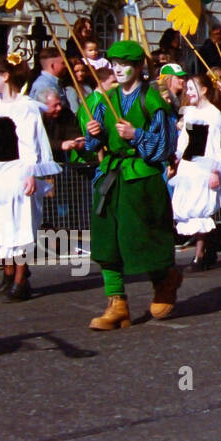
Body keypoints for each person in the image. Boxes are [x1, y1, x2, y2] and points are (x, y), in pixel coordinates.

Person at [84, 40, 182, 329]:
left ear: (139, 67)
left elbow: (164, 147)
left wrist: (136, 134)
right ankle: (117, 303)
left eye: (125, 64)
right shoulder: (106, 99)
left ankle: (164, 279)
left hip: (142, 177)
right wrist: (94, 133)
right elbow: (94, 143)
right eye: (115, 64)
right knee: (106, 240)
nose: (119, 69)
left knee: (143, 237)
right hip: (111, 176)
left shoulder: (152, 101)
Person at [0, 54, 61, 302]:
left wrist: (30, 173)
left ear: (6, 76)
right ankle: (9, 271)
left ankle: (20, 278)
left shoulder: (24, 106)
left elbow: (30, 142)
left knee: (19, 224)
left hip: (15, 170)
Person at [171, 73, 221, 271]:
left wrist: (214, 170)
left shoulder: (212, 114)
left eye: (191, 88)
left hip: (204, 167)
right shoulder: (191, 112)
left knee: (199, 209)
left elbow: (214, 145)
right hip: (189, 165)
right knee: (186, 207)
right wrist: (178, 159)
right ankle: (211, 241)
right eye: (186, 88)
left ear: (203, 90)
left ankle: (200, 254)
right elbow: (187, 141)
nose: (188, 92)